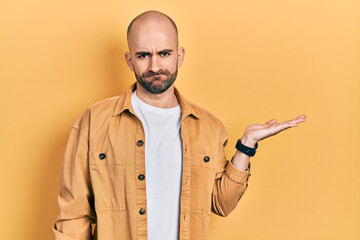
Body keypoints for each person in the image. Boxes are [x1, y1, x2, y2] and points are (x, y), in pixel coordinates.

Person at [53, 10, 306, 240]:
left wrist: (246, 145)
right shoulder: (94, 122)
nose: (155, 66)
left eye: (164, 53)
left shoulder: (209, 127)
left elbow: (221, 203)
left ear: (180, 56)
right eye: (143, 55)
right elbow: (73, 215)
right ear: (130, 60)